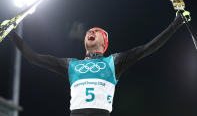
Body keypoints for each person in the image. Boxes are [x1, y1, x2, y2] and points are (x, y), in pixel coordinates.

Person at [8, 11, 190, 116]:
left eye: (96, 31)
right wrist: (12, 34)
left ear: (105, 42)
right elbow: (34, 57)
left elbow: (149, 48)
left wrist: (177, 22)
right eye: (88, 31)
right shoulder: (71, 64)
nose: (90, 32)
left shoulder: (114, 61)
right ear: (85, 41)